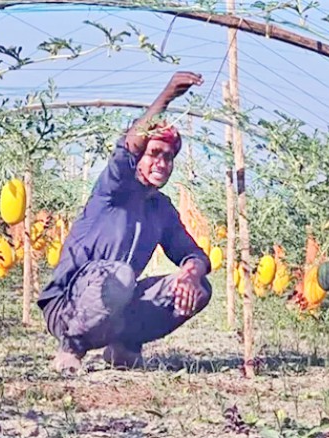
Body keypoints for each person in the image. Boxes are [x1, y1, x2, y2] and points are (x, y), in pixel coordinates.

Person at [37, 71, 213, 373]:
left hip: (119, 299)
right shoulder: (115, 189)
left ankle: (124, 345)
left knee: (201, 288)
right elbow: (127, 147)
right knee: (121, 275)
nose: (162, 162)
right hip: (68, 305)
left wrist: (191, 274)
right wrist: (167, 95)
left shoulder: (161, 209)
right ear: (139, 158)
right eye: (155, 153)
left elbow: (194, 254)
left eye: (168, 157)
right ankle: (71, 348)